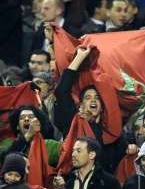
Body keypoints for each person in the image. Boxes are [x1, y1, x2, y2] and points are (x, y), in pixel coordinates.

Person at [54, 46, 127, 174]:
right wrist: (79, 57)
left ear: (103, 104)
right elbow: (61, 91)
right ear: (81, 104)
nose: (93, 100)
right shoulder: (73, 120)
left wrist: (131, 147)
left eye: (97, 97)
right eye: (88, 98)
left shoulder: (113, 130)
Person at [33, 71, 62, 141]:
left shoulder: (55, 100)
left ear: (50, 85)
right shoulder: (35, 101)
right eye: (33, 83)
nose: (34, 86)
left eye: (39, 82)